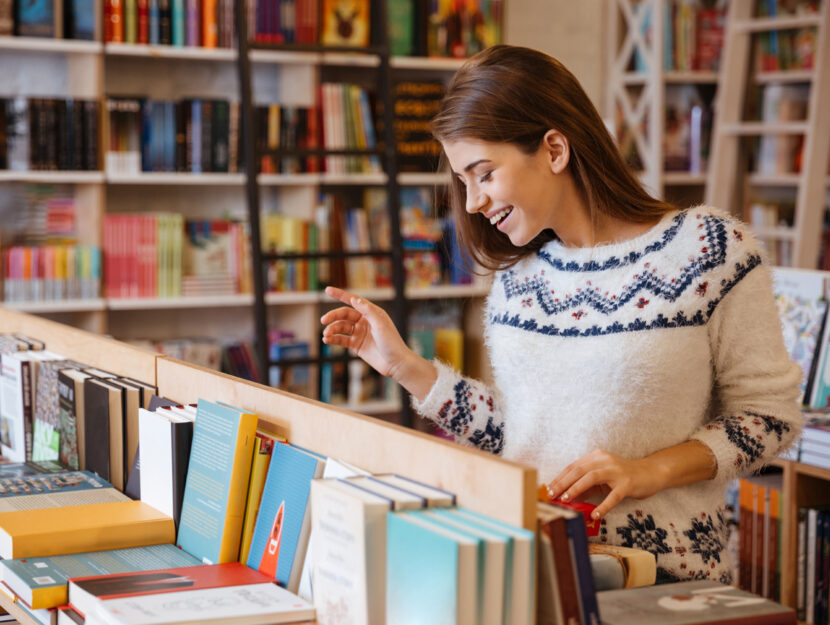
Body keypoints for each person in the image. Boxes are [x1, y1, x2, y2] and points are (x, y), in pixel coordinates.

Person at [320, 45, 802, 584]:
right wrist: (402, 364)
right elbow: (518, 435)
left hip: (664, 579)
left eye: (483, 173)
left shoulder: (711, 249)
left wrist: (650, 471)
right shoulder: (518, 280)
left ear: (553, 149)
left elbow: (771, 415)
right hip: (538, 567)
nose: (473, 201)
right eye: (462, 182)